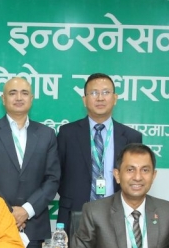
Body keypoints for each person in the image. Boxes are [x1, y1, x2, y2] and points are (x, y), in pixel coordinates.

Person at [0, 76, 61, 248]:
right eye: (12, 93)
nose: (19, 97)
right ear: (3, 99)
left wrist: (26, 210)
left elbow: (52, 179)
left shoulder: (46, 134)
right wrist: (8, 212)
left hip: (34, 228)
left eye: (24, 93)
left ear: (32, 98)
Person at [70, 143, 169, 248]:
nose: (137, 177)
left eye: (145, 170)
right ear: (117, 175)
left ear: (153, 176)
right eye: (130, 170)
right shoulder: (95, 212)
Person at [57, 73, 142, 233]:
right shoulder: (67, 133)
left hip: (118, 216)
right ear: (84, 100)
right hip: (75, 214)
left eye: (106, 92)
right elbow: (56, 175)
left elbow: (135, 178)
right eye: (94, 93)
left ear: (115, 98)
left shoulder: (131, 137)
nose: (100, 98)